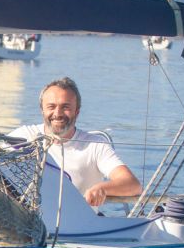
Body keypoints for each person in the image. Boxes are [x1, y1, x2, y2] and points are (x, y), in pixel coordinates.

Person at [9, 77, 142, 207]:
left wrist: (102, 188)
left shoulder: (95, 145)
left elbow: (133, 184)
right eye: (51, 106)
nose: (57, 113)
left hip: (79, 221)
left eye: (65, 107)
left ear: (77, 112)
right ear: (42, 110)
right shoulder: (23, 136)